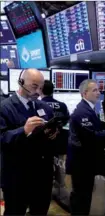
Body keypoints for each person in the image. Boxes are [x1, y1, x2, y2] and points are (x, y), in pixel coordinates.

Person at [0, 69, 59, 215]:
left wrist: (54, 132)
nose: (38, 91)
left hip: (42, 175)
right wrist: (24, 130)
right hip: (17, 176)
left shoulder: (44, 107)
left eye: (40, 87)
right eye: (34, 86)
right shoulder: (4, 107)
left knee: (40, 211)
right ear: (21, 82)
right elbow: (2, 138)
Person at [68, 79, 105, 215]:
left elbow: (97, 124)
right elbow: (91, 138)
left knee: (84, 196)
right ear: (85, 93)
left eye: (98, 90)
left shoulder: (88, 109)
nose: (98, 93)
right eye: (95, 90)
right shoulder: (82, 112)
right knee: (81, 197)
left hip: (85, 163)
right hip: (81, 164)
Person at [40, 80, 70, 193]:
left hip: (45, 144)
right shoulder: (62, 105)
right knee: (60, 171)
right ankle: (61, 193)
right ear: (53, 91)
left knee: (45, 172)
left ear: (40, 90)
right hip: (61, 143)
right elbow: (67, 119)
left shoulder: (39, 105)